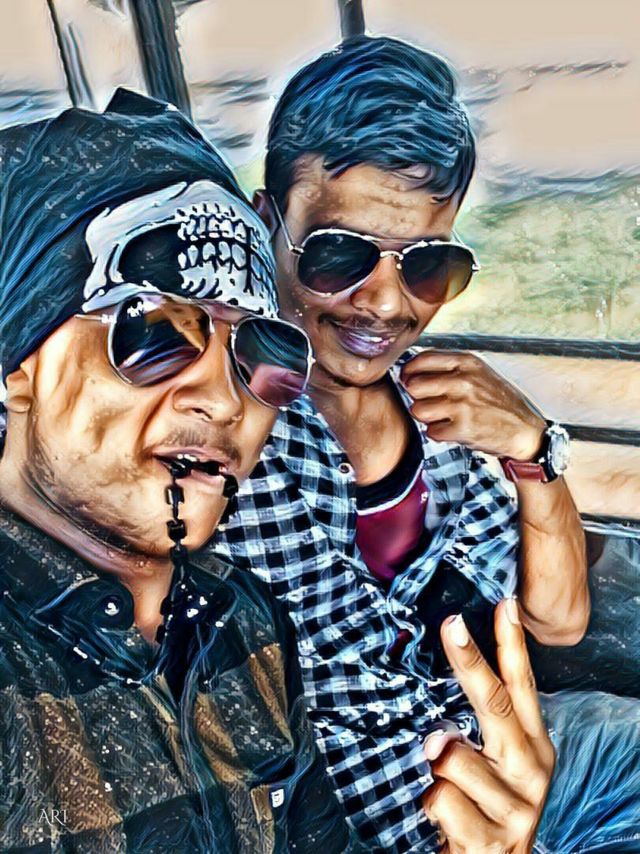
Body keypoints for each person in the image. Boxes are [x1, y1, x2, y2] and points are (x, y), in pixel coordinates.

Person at [212, 37, 640, 852]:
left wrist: (532, 451)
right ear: (268, 225)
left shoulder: (441, 406)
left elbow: (558, 622)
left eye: (427, 265)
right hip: (374, 821)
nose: (385, 303)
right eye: (339, 255)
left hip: (508, 757)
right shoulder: (217, 420)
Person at [0, 88, 361, 853]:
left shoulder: (245, 621)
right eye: (155, 331)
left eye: (261, 353)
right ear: (18, 365)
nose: (225, 399)